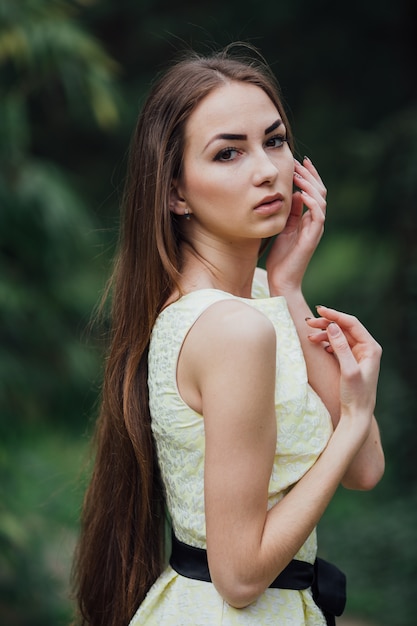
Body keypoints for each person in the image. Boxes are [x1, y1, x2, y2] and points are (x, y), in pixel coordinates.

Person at [72, 45, 385, 626]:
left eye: (275, 140)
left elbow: (364, 471)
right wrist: (356, 415)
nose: (267, 170)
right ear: (175, 193)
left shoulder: (261, 299)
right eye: (228, 154)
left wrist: (290, 287)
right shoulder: (232, 329)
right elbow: (239, 577)